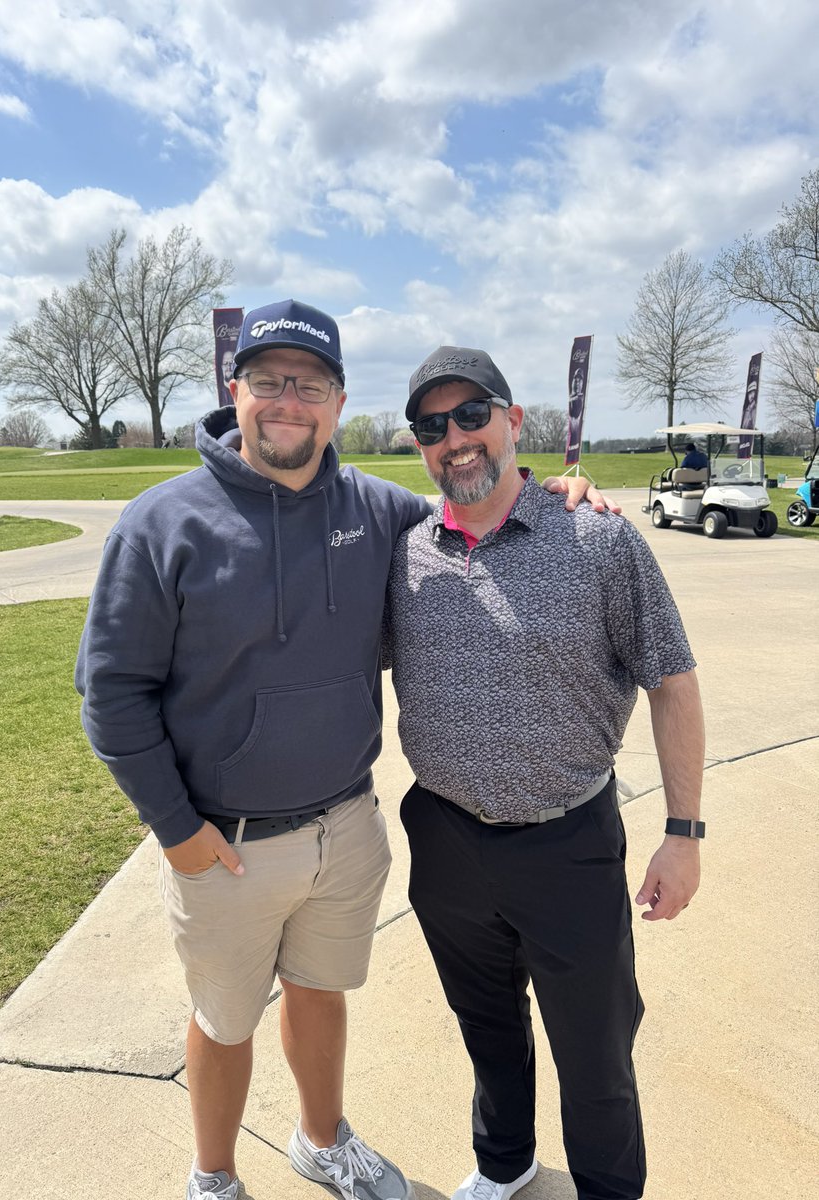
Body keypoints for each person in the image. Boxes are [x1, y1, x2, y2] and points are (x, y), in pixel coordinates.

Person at [75, 302, 613, 1200]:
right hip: (223, 843)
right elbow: (111, 694)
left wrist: (564, 490)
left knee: (323, 994)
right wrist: (175, 829)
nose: (290, 401)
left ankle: (322, 1141)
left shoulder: (377, 510)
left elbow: (475, 500)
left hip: (345, 827)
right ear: (235, 390)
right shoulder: (161, 524)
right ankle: (213, 1176)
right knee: (224, 1019)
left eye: (311, 384)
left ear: (337, 400)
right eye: (271, 381)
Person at [384, 346, 705, 1200]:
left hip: (567, 842)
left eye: (471, 414)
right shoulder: (404, 552)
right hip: (447, 838)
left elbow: (673, 683)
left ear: (516, 421)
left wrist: (683, 833)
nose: (454, 438)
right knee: (486, 1023)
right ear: (417, 443)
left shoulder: (598, 538)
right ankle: (505, 1163)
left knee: (594, 1054)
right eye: (430, 425)